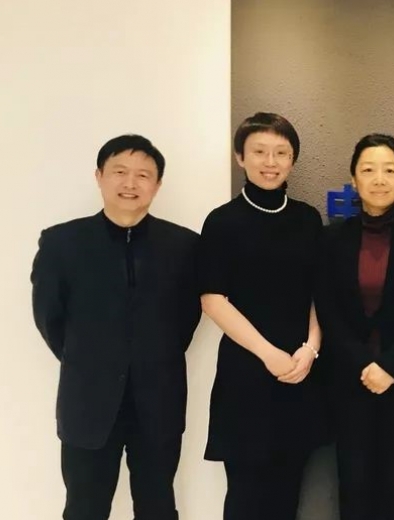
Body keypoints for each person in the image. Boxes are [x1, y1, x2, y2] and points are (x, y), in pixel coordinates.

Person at [31, 134, 201, 520]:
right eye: (119, 172)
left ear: (157, 184)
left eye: (143, 175)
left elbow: (186, 319)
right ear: (99, 176)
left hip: (159, 400)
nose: (130, 183)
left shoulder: (184, 246)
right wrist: (90, 358)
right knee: (84, 509)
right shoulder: (62, 243)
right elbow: (49, 318)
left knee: (158, 506)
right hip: (87, 401)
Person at [198, 112, 327, 520]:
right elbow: (213, 300)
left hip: (300, 372)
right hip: (246, 373)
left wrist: (311, 348)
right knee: (245, 497)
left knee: (288, 495)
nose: (270, 162)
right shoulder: (222, 221)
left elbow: (319, 294)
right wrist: (268, 353)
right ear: (240, 157)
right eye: (259, 152)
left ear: (292, 160)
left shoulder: (308, 219)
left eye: (281, 153)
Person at [314, 134, 394, 520]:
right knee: (354, 487)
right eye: (368, 170)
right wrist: (363, 365)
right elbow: (328, 310)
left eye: (389, 170)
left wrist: (390, 366)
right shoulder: (330, 238)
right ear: (354, 179)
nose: (379, 179)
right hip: (348, 381)